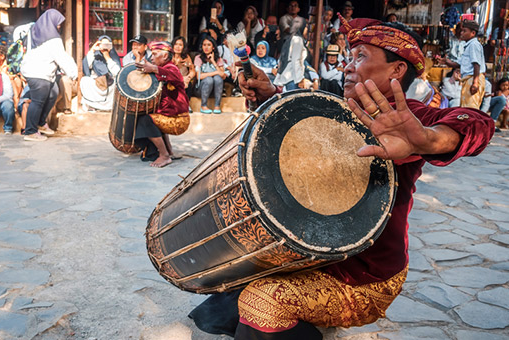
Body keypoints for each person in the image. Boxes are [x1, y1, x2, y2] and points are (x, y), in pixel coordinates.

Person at [190, 16, 494, 339]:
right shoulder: (339, 104)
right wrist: (271, 92)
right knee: (235, 280)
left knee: (262, 302)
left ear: (397, 70)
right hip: (313, 253)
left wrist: (430, 139)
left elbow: (478, 123)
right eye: (349, 57)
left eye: (360, 57)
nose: (348, 66)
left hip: (365, 274)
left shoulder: (410, 117)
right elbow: (297, 113)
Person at [20, 9, 78, 141]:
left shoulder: (36, 33)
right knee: (38, 101)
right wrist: (73, 74)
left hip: (39, 72)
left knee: (53, 92)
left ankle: (40, 123)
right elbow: (62, 58)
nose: (59, 26)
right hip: (39, 73)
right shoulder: (54, 40)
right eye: (58, 23)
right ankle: (30, 131)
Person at [134, 41, 190, 168]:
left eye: (154, 54)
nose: (152, 58)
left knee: (146, 120)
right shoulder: (163, 69)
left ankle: (164, 155)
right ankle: (169, 151)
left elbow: (174, 76)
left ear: (165, 56)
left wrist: (154, 68)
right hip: (171, 117)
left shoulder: (172, 68)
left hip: (179, 121)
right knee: (154, 117)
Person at [438, 20, 485, 109]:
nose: (461, 33)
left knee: (470, 108)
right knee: (465, 107)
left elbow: (476, 64)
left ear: (473, 33)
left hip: (472, 78)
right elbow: (459, 64)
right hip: (468, 79)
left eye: (464, 31)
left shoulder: (474, 45)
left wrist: (475, 82)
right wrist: (446, 61)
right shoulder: (468, 45)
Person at [80, 35, 121, 111]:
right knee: (85, 80)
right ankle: (92, 105)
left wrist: (107, 56)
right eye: (103, 44)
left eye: (107, 45)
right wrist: (92, 50)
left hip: (109, 86)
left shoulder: (113, 56)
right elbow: (86, 66)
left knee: (117, 83)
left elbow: (117, 73)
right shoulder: (95, 56)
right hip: (96, 84)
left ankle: (107, 107)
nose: (105, 46)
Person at [194, 36, 226, 114]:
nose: (206, 47)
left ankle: (217, 106)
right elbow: (199, 76)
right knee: (209, 79)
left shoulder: (218, 59)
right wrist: (215, 72)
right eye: (204, 45)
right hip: (201, 89)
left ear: (213, 47)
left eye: (209, 45)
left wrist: (213, 62)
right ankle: (203, 106)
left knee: (218, 78)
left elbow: (223, 75)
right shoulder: (198, 58)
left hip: (215, 90)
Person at [273, 16, 308, 91]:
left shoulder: (290, 38)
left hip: (288, 78)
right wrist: (300, 79)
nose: (306, 29)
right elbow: (296, 60)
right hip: (292, 78)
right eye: (305, 27)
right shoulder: (297, 40)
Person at [171, 36, 196, 106]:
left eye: (180, 45)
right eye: (176, 44)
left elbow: (192, 71)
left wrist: (188, 78)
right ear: (172, 45)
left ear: (183, 47)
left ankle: (186, 104)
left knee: (189, 85)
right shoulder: (169, 56)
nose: (177, 47)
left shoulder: (186, 57)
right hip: (173, 79)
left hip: (185, 81)